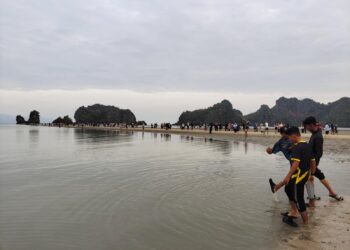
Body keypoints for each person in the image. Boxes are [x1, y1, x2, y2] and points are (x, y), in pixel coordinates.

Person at [272, 127, 316, 227]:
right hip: (302, 174)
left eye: (290, 138)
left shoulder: (297, 147)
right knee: (287, 189)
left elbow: (295, 164)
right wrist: (312, 174)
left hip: (299, 177)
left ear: (294, 136)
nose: (289, 140)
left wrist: (287, 177)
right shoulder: (308, 145)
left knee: (299, 199)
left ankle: (306, 225)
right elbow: (313, 161)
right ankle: (293, 211)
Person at [303, 116, 343, 207]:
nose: (306, 129)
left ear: (312, 125)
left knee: (311, 179)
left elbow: (319, 153)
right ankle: (329, 193)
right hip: (310, 162)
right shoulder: (315, 133)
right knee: (316, 177)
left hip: (312, 163)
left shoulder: (318, 137)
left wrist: (313, 166)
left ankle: (312, 201)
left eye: (307, 127)